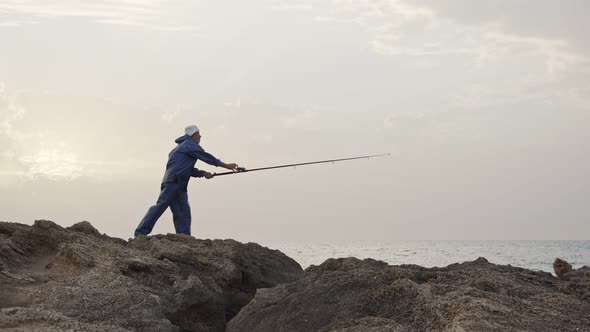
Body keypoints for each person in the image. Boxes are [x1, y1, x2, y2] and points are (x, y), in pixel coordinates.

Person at [135, 125, 238, 236]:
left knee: (183, 212)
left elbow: (186, 168)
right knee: (161, 206)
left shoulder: (177, 149)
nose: (200, 136)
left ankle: (184, 237)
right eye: (199, 134)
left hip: (177, 183)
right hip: (174, 182)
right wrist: (226, 165)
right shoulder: (190, 145)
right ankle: (140, 233)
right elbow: (207, 157)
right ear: (193, 135)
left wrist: (203, 173)